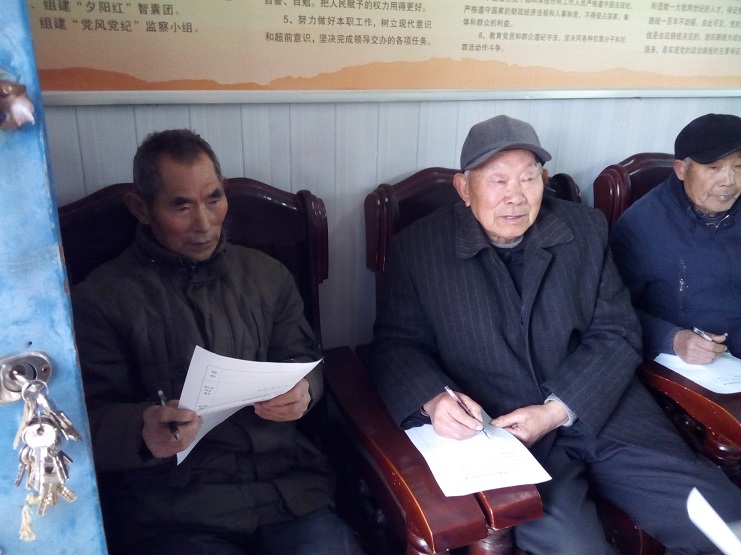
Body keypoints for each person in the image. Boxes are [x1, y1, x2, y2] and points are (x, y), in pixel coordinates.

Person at [367, 115, 741, 555]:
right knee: (574, 548)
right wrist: (433, 400)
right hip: (506, 433)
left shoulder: (584, 229)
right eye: (498, 180)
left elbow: (617, 330)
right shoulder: (419, 248)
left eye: (529, 179)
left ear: (543, 181)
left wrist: (557, 409)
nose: (515, 196)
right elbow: (396, 345)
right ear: (464, 188)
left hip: (606, 410)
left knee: (726, 525)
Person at [71, 129, 364, 555]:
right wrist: (142, 430)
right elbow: (82, 422)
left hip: (287, 492)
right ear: (141, 208)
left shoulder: (267, 276)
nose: (204, 223)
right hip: (178, 510)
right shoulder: (101, 298)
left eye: (213, 199)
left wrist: (305, 391)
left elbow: (303, 358)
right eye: (181, 206)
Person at [610, 113, 741, 365]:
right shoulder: (641, 225)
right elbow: (612, 312)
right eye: (713, 168)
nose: (729, 181)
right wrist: (672, 339)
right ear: (682, 169)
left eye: (739, 167)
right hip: (689, 363)